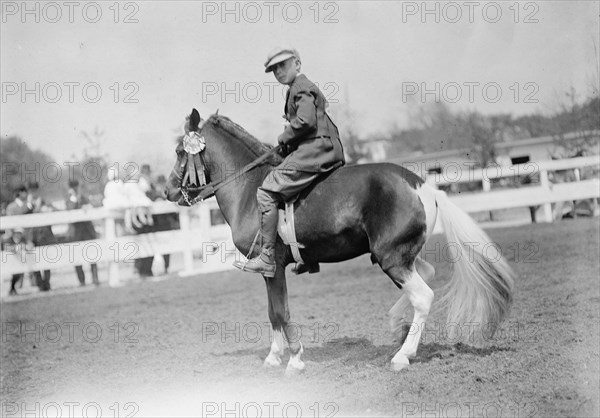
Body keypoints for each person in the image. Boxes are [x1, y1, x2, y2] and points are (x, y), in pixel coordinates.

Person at [233, 46, 345, 277]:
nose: (279, 72)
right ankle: (308, 254)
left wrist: (284, 136)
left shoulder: (301, 87)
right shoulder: (295, 88)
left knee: (266, 192)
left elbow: (305, 122)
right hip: (316, 147)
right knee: (291, 190)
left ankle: (266, 257)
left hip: (317, 148)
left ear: (298, 64)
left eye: (283, 65)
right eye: (274, 69)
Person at [66, 179, 100, 286]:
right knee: (77, 257)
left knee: (93, 255)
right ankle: (82, 280)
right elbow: (70, 210)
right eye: (73, 187)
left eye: (76, 186)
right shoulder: (69, 199)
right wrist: (76, 200)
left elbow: (92, 205)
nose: (76, 189)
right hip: (76, 232)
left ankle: (95, 278)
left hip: (87, 230)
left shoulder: (83, 197)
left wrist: (87, 206)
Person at [4, 185, 35, 295]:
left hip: (26, 239)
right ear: (19, 193)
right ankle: (13, 287)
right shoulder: (11, 207)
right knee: (16, 264)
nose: (25, 194)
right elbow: (10, 225)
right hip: (15, 240)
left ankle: (29, 282)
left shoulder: (28, 205)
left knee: (28, 261)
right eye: (23, 192)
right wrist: (15, 240)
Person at [28, 181, 56, 291]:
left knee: (46, 259)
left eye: (35, 190)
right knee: (33, 259)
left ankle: (46, 282)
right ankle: (40, 283)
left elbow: (51, 210)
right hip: (32, 235)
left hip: (44, 234)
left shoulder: (43, 201)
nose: (33, 192)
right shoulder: (28, 203)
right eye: (32, 190)